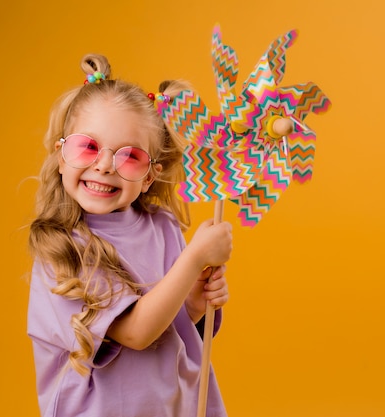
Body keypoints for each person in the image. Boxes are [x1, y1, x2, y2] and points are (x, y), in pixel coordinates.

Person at [27, 53, 233, 417]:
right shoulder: (64, 248)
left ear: (149, 176)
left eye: (130, 157)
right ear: (61, 156)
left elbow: (177, 328)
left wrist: (195, 305)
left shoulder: (164, 227)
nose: (105, 165)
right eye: (87, 147)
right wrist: (195, 258)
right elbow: (137, 333)